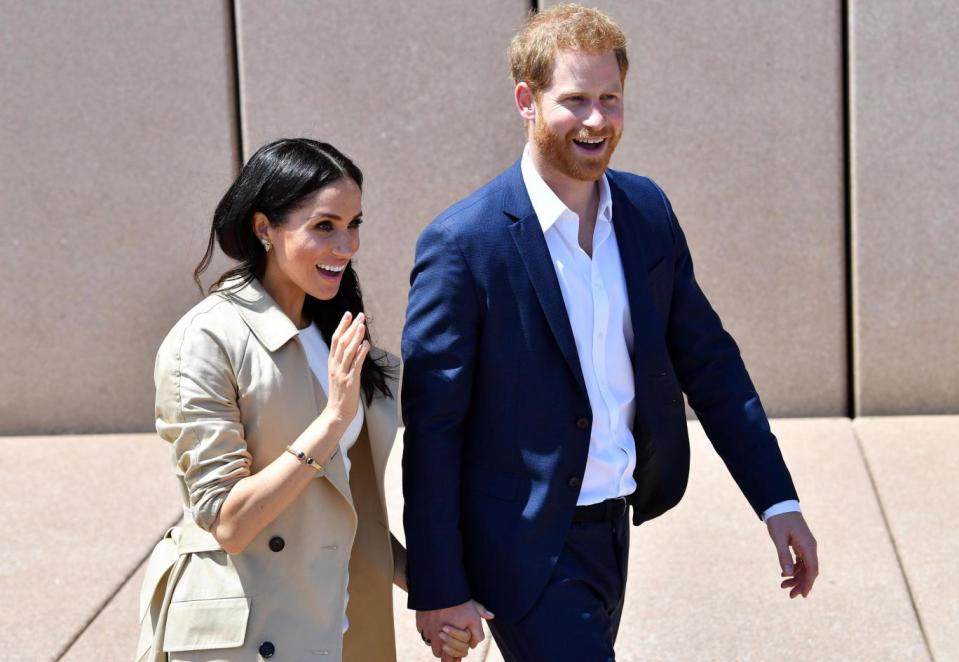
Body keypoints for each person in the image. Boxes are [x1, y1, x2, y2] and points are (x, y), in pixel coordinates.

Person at [401, 5, 819, 661]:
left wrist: (776, 501)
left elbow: (710, 365)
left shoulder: (645, 211)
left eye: (610, 98)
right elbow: (432, 429)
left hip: (615, 523)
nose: (597, 120)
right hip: (521, 547)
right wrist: (437, 587)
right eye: (574, 100)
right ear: (526, 100)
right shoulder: (463, 245)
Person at [136, 138, 474, 662]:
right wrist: (333, 420)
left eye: (354, 224)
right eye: (324, 226)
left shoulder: (337, 337)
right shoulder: (205, 340)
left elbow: (347, 516)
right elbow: (229, 522)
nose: (347, 245)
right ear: (264, 227)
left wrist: (440, 595)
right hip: (247, 637)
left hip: (335, 629)